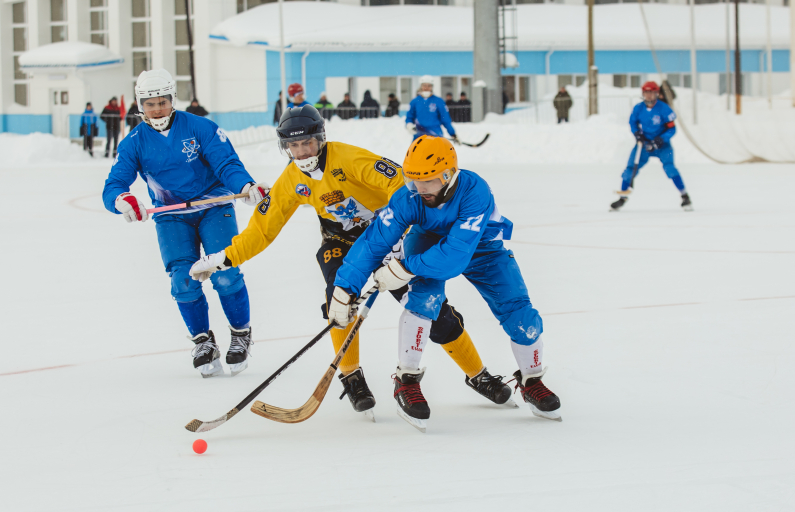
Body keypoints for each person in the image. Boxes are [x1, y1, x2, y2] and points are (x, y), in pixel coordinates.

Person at [189, 106, 514, 418]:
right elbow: (262, 229)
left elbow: (403, 186)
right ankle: (351, 376)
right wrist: (222, 259)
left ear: (321, 138)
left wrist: (410, 230)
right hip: (340, 243)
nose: (302, 152)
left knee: (434, 310)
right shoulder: (291, 180)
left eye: (307, 143)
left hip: (385, 236)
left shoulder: (350, 157)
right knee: (339, 302)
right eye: (293, 146)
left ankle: (477, 374)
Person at [329, 136, 562, 431]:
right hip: (428, 242)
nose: (419, 189)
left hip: (483, 249)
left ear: (449, 175)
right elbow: (374, 242)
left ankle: (532, 380)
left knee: (523, 319)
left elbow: (455, 256)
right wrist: (344, 287)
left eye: (427, 181)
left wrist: (403, 267)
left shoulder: (475, 191)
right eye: (412, 179)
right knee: (423, 301)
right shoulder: (408, 196)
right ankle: (406, 379)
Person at [101, 69, 270, 378]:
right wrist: (122, 200)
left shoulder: (201, 127)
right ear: (140, 105)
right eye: (149, 103)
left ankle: (240, 333)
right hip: (170, 214)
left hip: (214, 204)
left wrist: (245, 186)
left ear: (173, 100)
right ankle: (203, 341)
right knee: (182, 280)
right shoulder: (134, 142)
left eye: (162, 102)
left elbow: (226, 163)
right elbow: (114, 184)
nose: (156, 109)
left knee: (224, 273)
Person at [611, 81, 692, 212]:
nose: (648, 96)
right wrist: (637, 134)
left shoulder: (664, 108)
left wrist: (661, 139)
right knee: (630, 169)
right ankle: (622, 197)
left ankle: (684, 195)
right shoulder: (638, 108)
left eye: (651, 93)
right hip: (644, 144)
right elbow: (632, 123)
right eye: (646, 93)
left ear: (657, 94)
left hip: (662, 146)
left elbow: (672, 129)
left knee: (670, 168)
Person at [405, 76, 457, 142]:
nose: (426, 88)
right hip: (419, 137)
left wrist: (453, 134)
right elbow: (409, 117)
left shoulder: (439, 101)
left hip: (436, 136)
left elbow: (445, 120)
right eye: (424, 85)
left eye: (429, 86)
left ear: (432, 87)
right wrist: (409, 125)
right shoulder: (414, 101)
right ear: (421, 86)